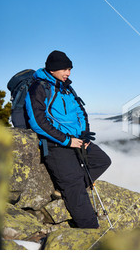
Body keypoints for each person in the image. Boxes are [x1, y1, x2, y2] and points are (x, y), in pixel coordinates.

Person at [25, 50, 111, 229]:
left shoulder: (66, 88)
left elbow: (81, 112)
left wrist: (84, 135)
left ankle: (68, 187)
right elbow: (37, 121)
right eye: (65, 69)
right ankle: (92, 234)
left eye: (70, 69)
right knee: (76, 191)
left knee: (102, 160)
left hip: (77, 140)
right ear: (53, 69)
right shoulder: (38, 87)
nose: (68, 73)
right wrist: (66, 140)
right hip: (56, 145)